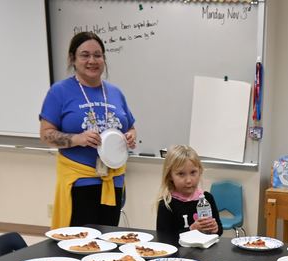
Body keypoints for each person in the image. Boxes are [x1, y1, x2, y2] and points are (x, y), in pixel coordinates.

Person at [40, 31, 138, 228]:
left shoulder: (115, 92)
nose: (92, 61)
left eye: (97, 55)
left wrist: (130, 136)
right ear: (73, 59)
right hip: (80, 180)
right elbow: (46, 134)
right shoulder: (60, 91)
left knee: (109, 237)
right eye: (85, 55)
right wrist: (77, 139)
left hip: (113, 180)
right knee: (81, 239)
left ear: (104, 59)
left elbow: (131, 127)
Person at [154, 145, 223, 241]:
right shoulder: (166, 204)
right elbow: (163, 238)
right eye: (181, 174)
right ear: (170, 176)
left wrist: (215, 228)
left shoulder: (207, 198)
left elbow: (219, 231)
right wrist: (191, 230)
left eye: (193, 172)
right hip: (178, 251)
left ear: (200, 171)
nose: (188, 180)